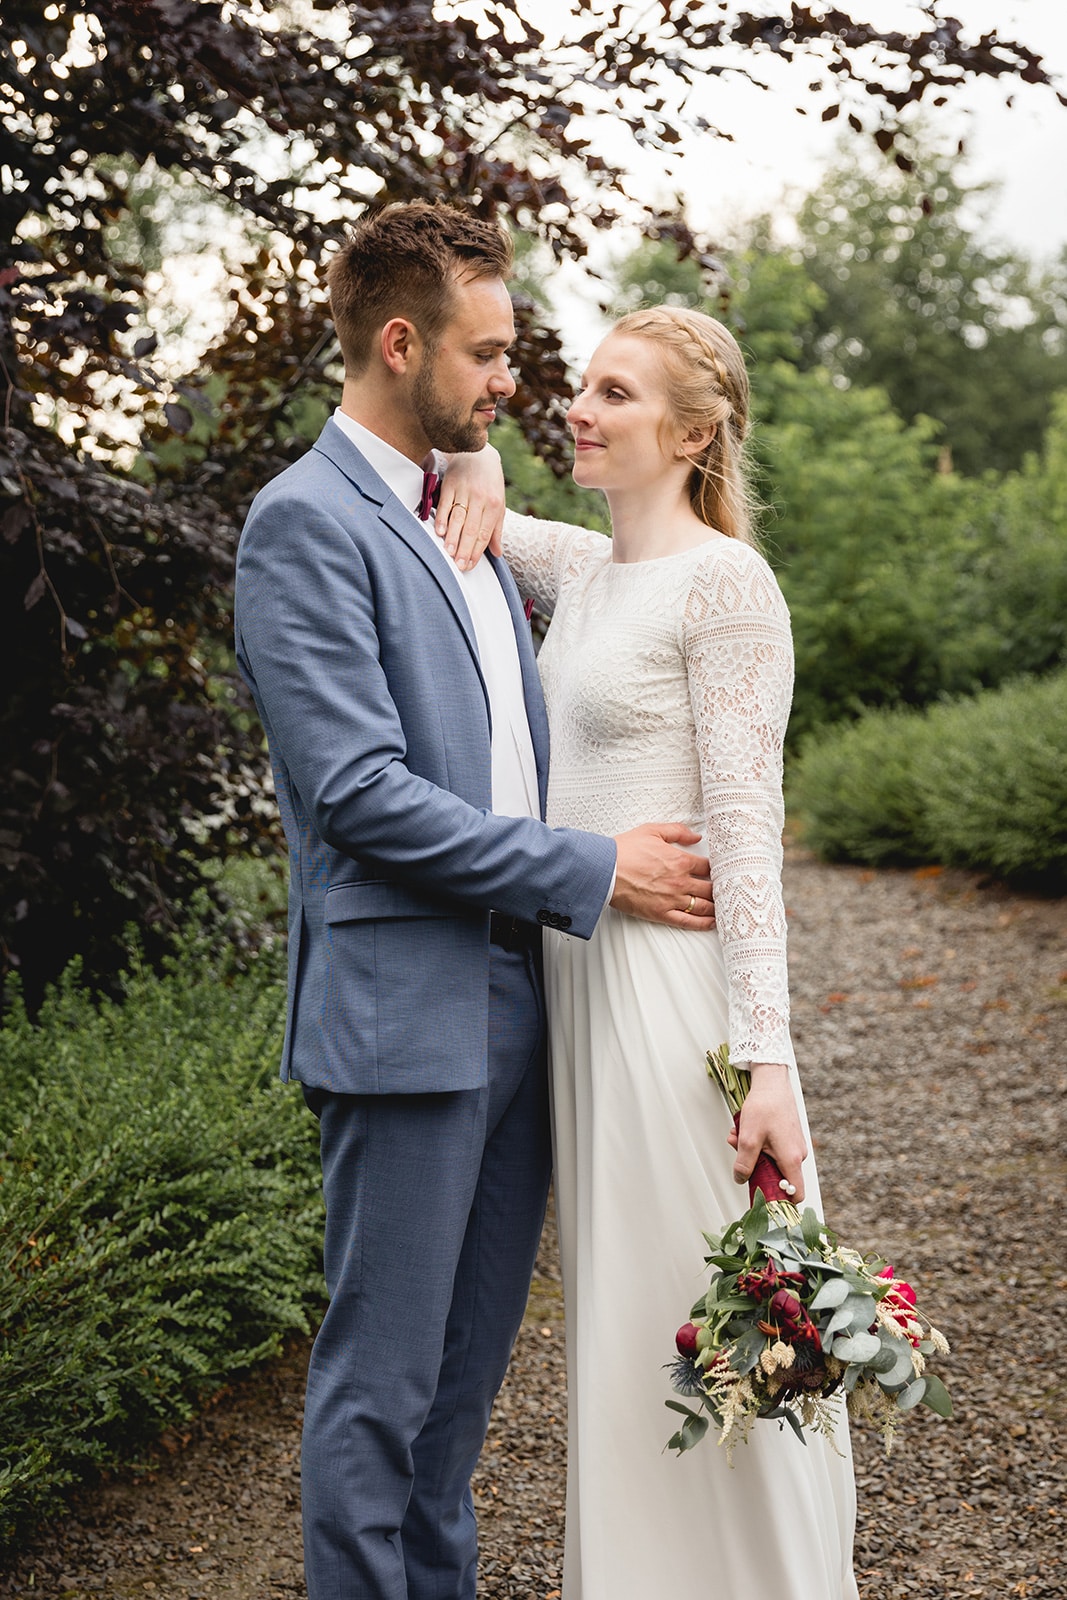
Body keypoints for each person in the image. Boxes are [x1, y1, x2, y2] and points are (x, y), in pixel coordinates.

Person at [232, 204, 718, 1600]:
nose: (515, 382)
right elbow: (362, 798)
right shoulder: (303, 526)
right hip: (405, 1014)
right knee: (381, 1396)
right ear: (403, 343)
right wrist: (596, 871)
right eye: (491, 355)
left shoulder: (462, 507)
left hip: (522, 1003)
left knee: (458, 1409)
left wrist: (483, 456)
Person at [445, 305, 858, 1598]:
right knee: (623, 1333)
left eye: (616, 394)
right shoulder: (590, 569)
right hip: (581, 992)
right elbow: (464, 492)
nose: (582, 406)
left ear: (690, 433)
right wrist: (484, 459)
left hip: (673, 1016)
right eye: (583, 384)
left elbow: (747, 840)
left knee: (713, 1326)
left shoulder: (727, 584)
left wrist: (769, 1063)